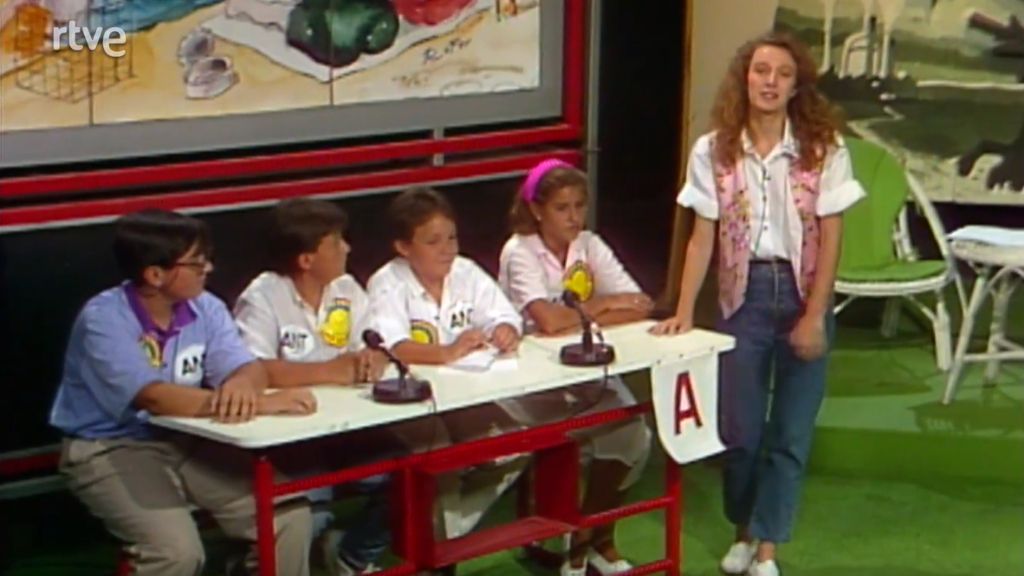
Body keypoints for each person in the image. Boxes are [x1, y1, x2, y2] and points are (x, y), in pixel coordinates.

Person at [651, 32, 866, 576]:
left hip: (801, 292)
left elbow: (831, 235)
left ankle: (767, 549)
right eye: (761, 71)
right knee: (741, 432)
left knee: (790, 434)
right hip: (740, 297)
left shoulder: (824, 147)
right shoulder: (713, 150)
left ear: (796, 87)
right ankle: (745, 529)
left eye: (783, 74)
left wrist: (814, 314)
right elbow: (702, 236)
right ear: (744, 78)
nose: (770, 82)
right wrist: (683, 308)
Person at [49, 209, 316, 576]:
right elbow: (153, 397)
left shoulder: (205, 306)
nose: (208, 268)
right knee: (176, 553)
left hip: (185, 438)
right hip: (108, 446)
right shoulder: (103, 319)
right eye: (196, 262)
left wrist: (242, 383)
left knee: (287, 515)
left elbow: (248, 367)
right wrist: (261, 403)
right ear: (155, 275)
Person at [498, 159, 653, 576]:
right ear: (537, 210)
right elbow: (546, 321)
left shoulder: (589, 244)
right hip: (532, 383)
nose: (574, 217)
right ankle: (574, 542)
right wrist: (604, 305)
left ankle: (593, 538)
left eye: (579, 206)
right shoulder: (519, 251)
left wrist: (582, 317)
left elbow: (640, 305)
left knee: (632, 434)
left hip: (586, 373)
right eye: (562, 208)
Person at [233, 198, 392, 576]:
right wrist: (329, 372)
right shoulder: (262, 297)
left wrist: (374, 359)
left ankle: (351, 554)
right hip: (290, 438)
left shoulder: (346, 288)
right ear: (306, 259)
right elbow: (253, 369)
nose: (347, 248)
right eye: (336, 242)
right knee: (306, 514)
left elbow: (374, 343)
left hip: (351, 424)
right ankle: (247, 565)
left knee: (407, 475)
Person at [365, 187, 527, 539]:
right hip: (411, 402)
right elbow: (390, 345)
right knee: (437, 453)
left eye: (452, 238)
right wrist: (446, 352)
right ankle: (434, 541)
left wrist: (505, 330)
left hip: (466, 393)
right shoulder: (387, 282)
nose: (448, 249)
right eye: (433, 241)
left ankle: (449, 530)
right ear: (403, 247)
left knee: (516, 443)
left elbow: (504, 315)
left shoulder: (466, 271)